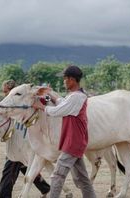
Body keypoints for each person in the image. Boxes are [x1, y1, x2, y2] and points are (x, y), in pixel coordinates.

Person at [32, 65, 96, 198]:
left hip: (73, 142)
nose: (63, 81)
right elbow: (62, 103)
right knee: (83, 179)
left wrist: (41, 106)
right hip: (75, 141)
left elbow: (57, 111)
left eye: (65, 78)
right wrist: (50, 94)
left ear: (72, 80)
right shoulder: (74, 96)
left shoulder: (77, 97)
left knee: (57, 176)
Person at [0, 80, 50, 198]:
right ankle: (45, 188)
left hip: (22, 145)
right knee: (26, 167)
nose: (5, 95)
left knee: (8, 174)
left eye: (6, 92)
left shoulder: (25, 103)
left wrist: (46, 94)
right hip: (16, 144)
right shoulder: (8, 105)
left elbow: (45, 101)